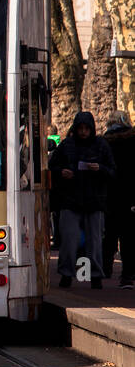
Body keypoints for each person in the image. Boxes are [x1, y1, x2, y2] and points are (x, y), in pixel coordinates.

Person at [49, 111, 115, 289]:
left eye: (87, 129)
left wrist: (99, 168)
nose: (84, 132)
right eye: (81, 128)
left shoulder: (101, 145)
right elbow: (52, 166)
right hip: (71, 199)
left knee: (94, 242)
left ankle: (95, 276)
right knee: (69, 240)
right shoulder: (67, 145)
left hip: (94, 200)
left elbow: (112, 171)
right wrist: (62, 172)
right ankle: (66, 274)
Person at [103, 111, 135, 289]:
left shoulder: (104, 142)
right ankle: (127, 275)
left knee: (109, 233)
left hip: (109, 194)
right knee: (128, 237)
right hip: (130, 195)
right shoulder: (133, 141)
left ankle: (105, 268)